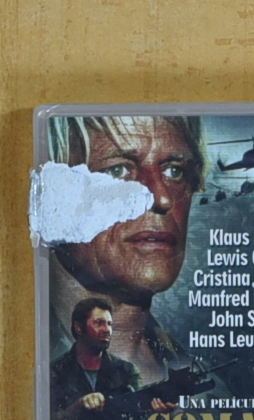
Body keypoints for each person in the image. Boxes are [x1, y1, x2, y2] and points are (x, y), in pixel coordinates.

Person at [48, 116, 206, 383]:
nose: (162, 198)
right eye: (117, 171)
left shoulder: (222, 386)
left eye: (174, 171)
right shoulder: (23, 361)